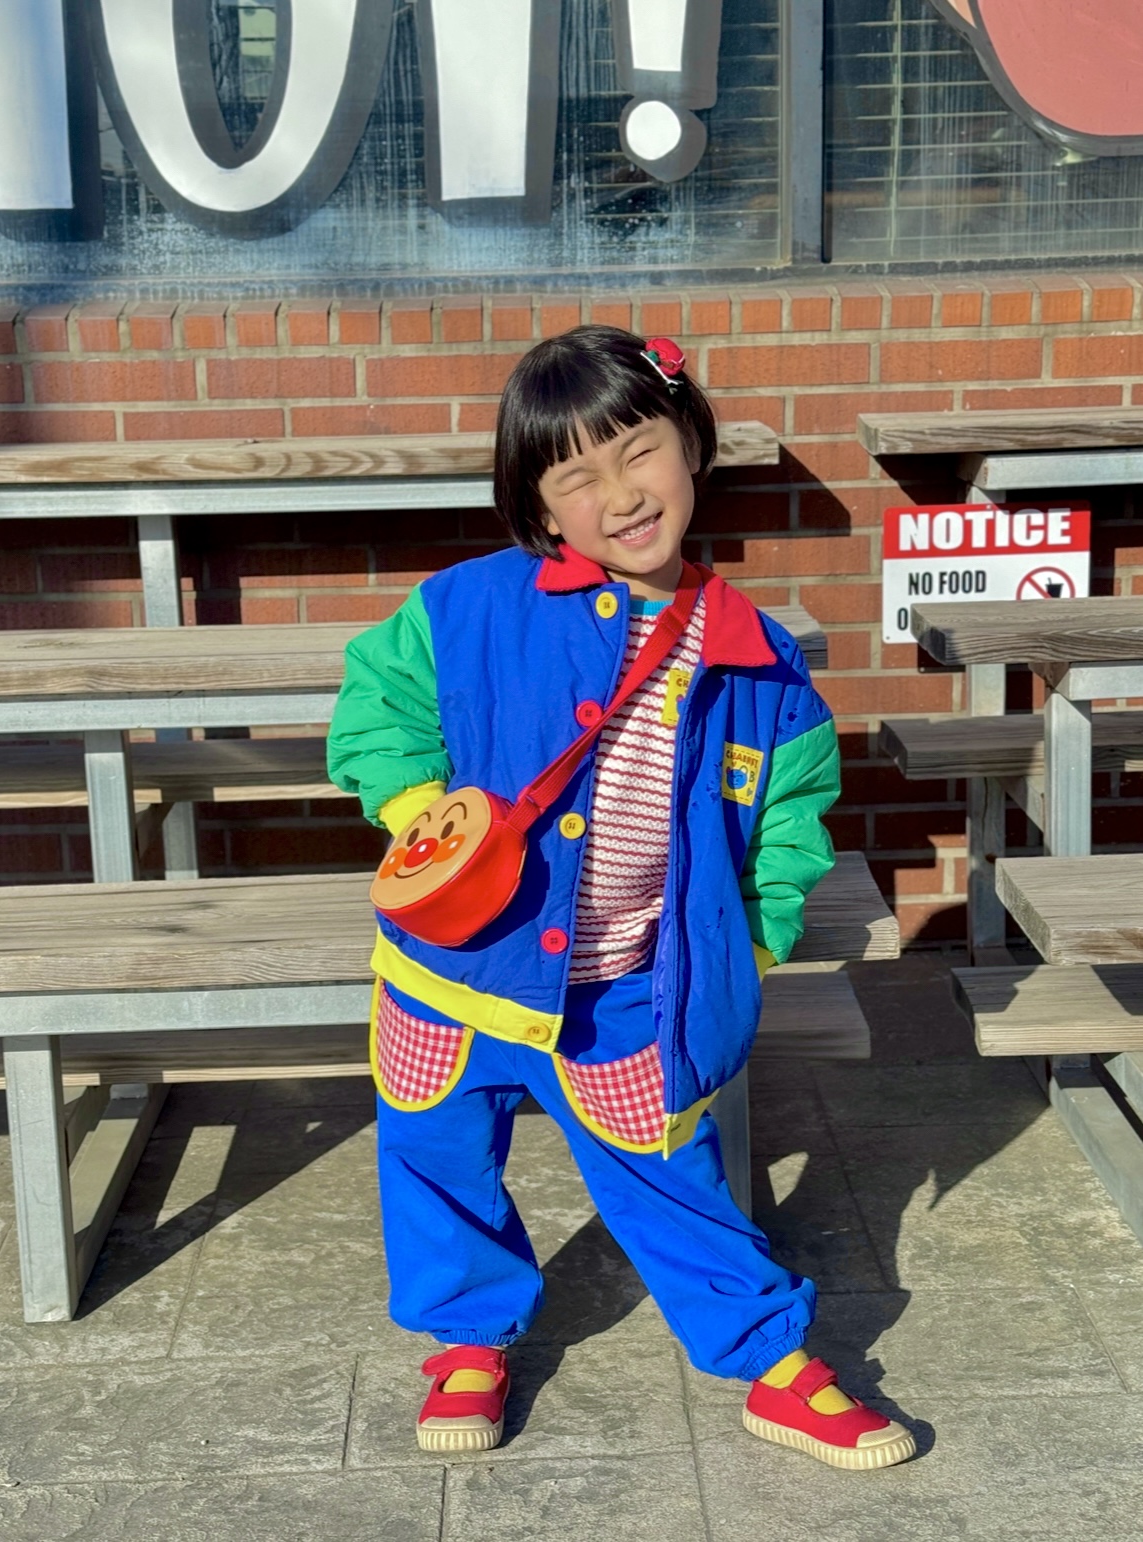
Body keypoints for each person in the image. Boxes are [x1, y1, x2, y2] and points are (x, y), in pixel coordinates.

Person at [327, 325, 915, 1471]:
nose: (622, 494)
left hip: (630, 985)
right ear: (540, 508)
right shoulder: (467, 607)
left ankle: (769, 1359)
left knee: (671, 1177)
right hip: (452, 970)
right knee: (436, 1156)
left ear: (690, 445)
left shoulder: (758, 659)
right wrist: (419, 812)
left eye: (639, 451)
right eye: (577, 477)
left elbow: (791, 819)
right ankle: (467, 1338)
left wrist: (752, 937)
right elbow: (376, 705)